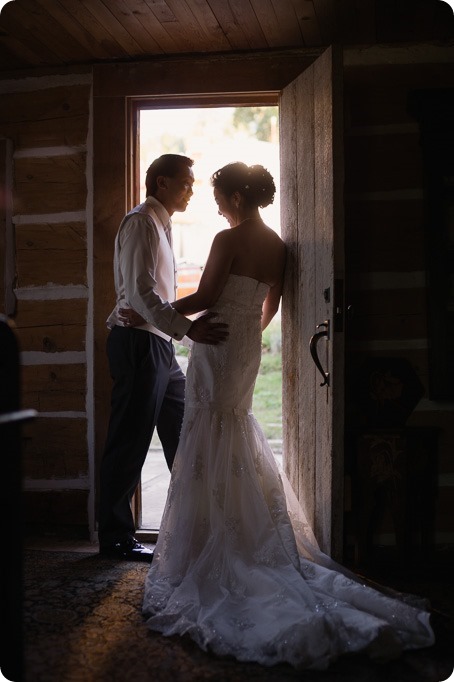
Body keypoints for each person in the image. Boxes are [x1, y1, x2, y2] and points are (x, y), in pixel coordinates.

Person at [139, 161, 435, 669]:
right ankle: (232, 528)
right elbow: (271, 299)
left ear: (235, 197)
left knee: (210, 430)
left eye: (219, 195)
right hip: (245, 348)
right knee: (230, 427)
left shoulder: (225, 240)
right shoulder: (276, 243)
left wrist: (159, 309)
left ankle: (213, 538)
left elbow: (208, 297)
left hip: (216, 345)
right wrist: (250, 330)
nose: (215, 203)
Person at [98, 154, 228, 563]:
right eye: (186, 182)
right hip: (139, 344)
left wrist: (173, 332)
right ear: (161, 182)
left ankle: (193, 526)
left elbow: (143, 293)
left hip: (158, 344)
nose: (192, 189)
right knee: (129, 440)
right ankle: (116, 538)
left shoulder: (161, 223)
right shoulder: (141, 222)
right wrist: (187, 328)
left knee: (182, 430)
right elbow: (138, 292)